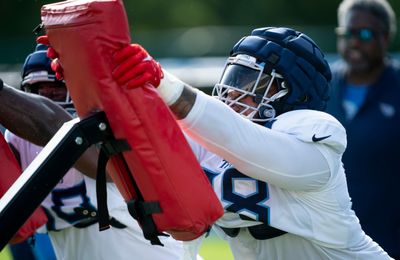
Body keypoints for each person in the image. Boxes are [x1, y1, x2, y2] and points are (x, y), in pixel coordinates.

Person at [109, 26, 393, 259]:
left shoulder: (315, 143)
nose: (233, 93)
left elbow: (242, 141)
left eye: (251, 83)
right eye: (234, 77)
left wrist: (164, 84)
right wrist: (100, 76)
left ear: (294, 94)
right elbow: (143, 140)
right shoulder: (212, 142)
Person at [1, 45, 186, 260]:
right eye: (37, 90)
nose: (46, 95)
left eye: (57, 88)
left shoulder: (112, 126)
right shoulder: (18, 139)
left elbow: (56, 127)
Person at [326, 0, 400, 258]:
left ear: (386, 37)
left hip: (388, 244)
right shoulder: (320, 88)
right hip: (328, 244)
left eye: (365, 34)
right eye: (347, 34)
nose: (354, 42)